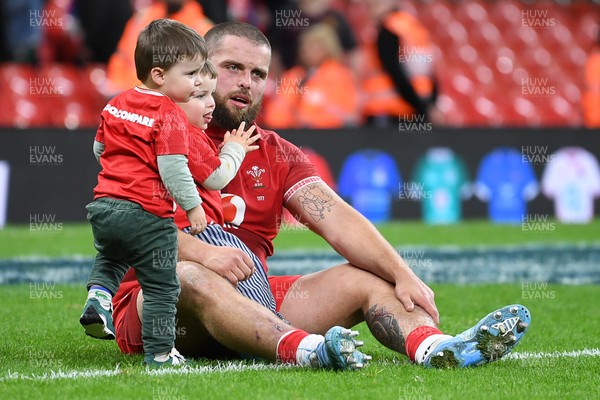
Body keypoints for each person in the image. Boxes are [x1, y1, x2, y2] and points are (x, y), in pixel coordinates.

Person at [113, 21, 531, 370]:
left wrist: (403, 273)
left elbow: (335, 216)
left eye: (258, 74)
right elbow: (130, 226)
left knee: (367, 277)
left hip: (251, 299)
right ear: (200, 69)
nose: (246, 83)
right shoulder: (153, 131)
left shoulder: (277, 152)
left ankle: (437, 349)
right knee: (190, 276)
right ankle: (309, 351)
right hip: (160, 303)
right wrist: (203, 254)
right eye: (233, 67)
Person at [81, 20, 256, 368]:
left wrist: (124, 171)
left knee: (112, 256)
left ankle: (98, 298)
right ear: (160, 76)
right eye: (192, 78)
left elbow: (100, 148)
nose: (197, 85)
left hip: (103, 205)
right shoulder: (171, 116)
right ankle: (161, 353)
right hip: (146, 212)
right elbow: (179, 171)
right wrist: (194, 207)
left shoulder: (117, 102)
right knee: (162, 284)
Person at [104, 0, 213, 96]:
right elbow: (120, 57)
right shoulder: (141, 18)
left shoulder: (203, 30)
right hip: (129, 99)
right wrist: (117, 86)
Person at [263, 23, 360, 129]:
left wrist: (309, 119)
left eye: (315, 46)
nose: (309, 51)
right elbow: (275, 115)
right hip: (294, 135)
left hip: (331, 136)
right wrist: (296, 119)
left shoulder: (341, 75)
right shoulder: (293, 76)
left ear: (328, 48)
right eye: (306, 46)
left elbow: (349, 116)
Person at [360, 0, 438, 127]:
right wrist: (428, 105)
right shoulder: (413, 27)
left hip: (390, 111)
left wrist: (421, 107)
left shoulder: (388, 30)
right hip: (416, 108)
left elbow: (395, 72)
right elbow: (428, 71)